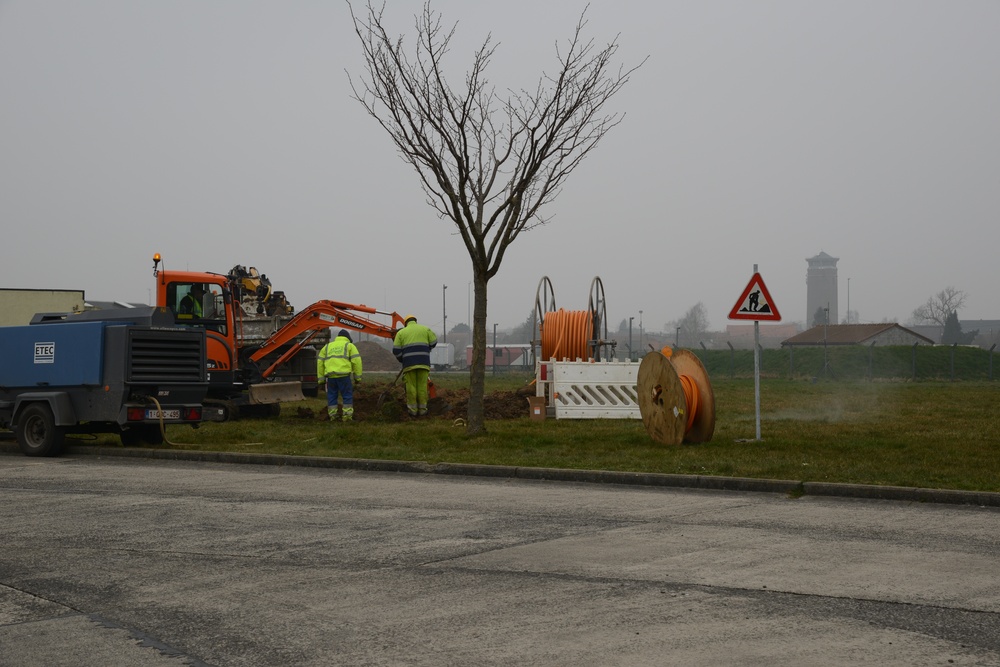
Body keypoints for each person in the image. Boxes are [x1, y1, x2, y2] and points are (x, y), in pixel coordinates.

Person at [393, 315, 437, 417]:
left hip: (409, 364)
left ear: (405, 323)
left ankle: (412, 411)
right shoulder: (425, 329)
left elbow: (396, 350)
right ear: (415, 321)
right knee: (422, 387)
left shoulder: (401, 332)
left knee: (411, 387)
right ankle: (422, 410)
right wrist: (427, 348)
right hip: (424, 363)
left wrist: (402, 359)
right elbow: (434, 342)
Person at [317, 329, 363, 422]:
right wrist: (357, 378)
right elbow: (356, 362)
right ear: (348, 338)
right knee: (347, 396)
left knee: (332, 396)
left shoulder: (327, 347)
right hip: (344, 377)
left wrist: (321, 379)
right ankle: (347, 417)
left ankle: (333, 416)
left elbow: (320, 363)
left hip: (331, 378)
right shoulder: (349, 345)